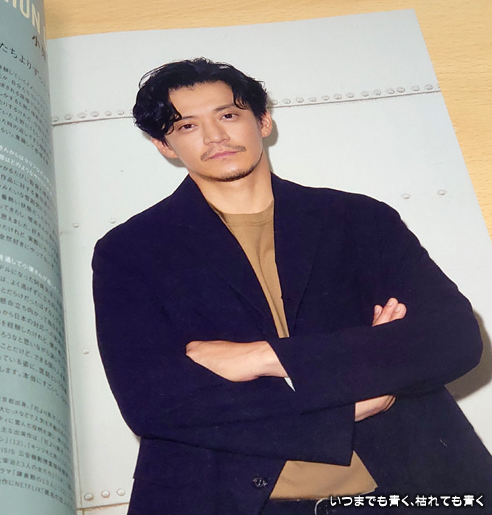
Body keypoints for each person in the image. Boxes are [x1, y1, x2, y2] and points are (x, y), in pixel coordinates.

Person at [91, 58, 492, 515]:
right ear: (164, 145)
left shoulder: (358, 220)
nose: (215, 136)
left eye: (228, 114)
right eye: (186, 125)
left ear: (263, 120)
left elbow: (453, 340)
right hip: (223, 500)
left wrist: (262, 357)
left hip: (414, 489)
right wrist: (351, 396)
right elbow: (154, 404)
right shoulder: (131, 250)